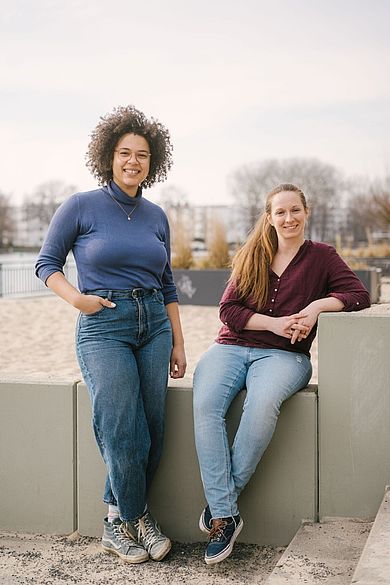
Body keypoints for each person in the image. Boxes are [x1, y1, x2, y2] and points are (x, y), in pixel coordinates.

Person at [35, 105, 186, 564]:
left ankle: (117, 519)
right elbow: (47, 265)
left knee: (153, 430)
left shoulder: (156, 215)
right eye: (124, 153)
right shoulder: (81, 205)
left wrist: (179, 341)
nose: (133, 162)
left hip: (155, 324)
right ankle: (135, 519)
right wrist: (77, 300)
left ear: (152, 161)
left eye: (142, 154)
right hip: (104, 325)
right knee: (123, 427)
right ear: (109, 156)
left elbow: (168, 284)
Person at [193, 183, 370, 565]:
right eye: (280, 212)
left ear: (306, 212)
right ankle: (227, 512)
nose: (288, 218)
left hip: (285, 357)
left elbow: (359, 295)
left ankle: (220, 508)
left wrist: (318, 306)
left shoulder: (322, 256)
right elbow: (229, 310)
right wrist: (274, 323)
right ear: (269, 217)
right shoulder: (253, 253)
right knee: (206, 407)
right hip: (230, 346)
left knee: (261, 405)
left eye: (295, 211)